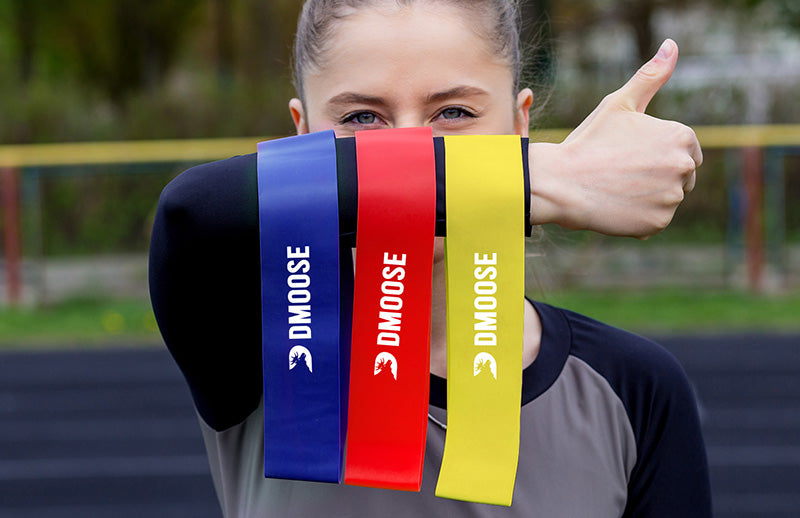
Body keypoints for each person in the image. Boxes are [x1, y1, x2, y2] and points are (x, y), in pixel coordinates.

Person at [149, 0, 711, 516]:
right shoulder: (260, 347)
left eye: (455, 112)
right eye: (363, 118)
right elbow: (190, 213)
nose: (413, 149)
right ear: (300, 137)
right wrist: (542, 178)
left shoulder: (634, 389)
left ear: (519, 125)